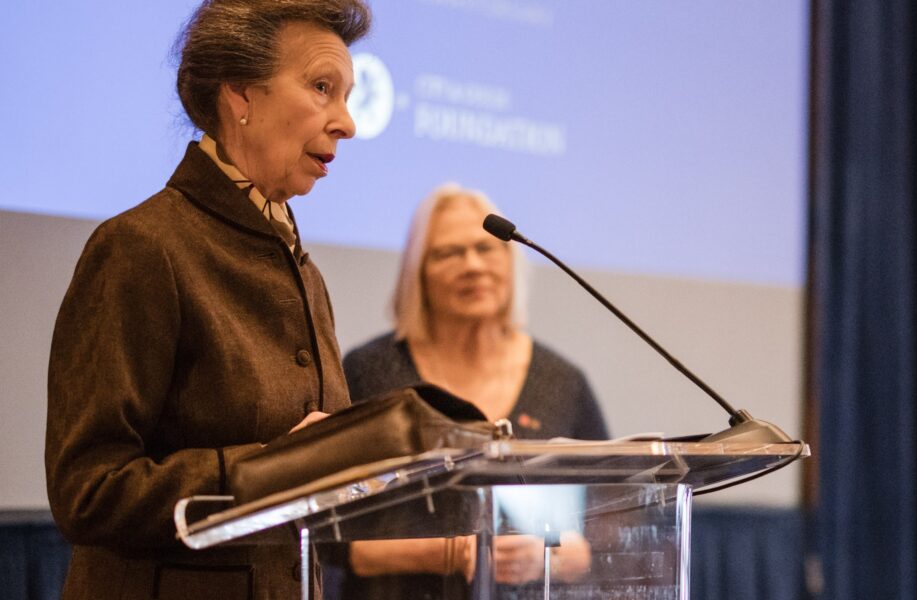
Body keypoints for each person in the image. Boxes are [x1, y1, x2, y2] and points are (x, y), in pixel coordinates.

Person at [44, 1, 371, 598]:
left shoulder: (304, 271)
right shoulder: (140, 247)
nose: (347, 122)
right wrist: (275, 469)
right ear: (241, 95)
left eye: (347, 96)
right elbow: (87, 492)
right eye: (323, 88)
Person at [333, 184, 609, 598]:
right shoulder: (371, 371)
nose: (473, 266)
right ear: (418, 272)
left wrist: (546, 557)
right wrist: (456, 553)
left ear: (510, 261)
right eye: (449, 253)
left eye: (487, 248)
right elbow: (332, 537)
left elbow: (606, 526)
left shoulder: (562, 381)